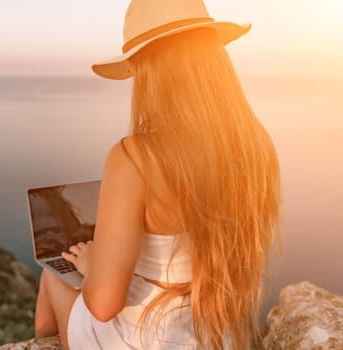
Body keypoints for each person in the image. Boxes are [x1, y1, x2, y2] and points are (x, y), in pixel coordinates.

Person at [34, 0, 281, 349]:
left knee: (53, 276)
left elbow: (104, 305)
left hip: (142, 339)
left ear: (148, 70)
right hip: (215, 335)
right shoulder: (256, 147)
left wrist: (92, 265)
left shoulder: (133, 157)